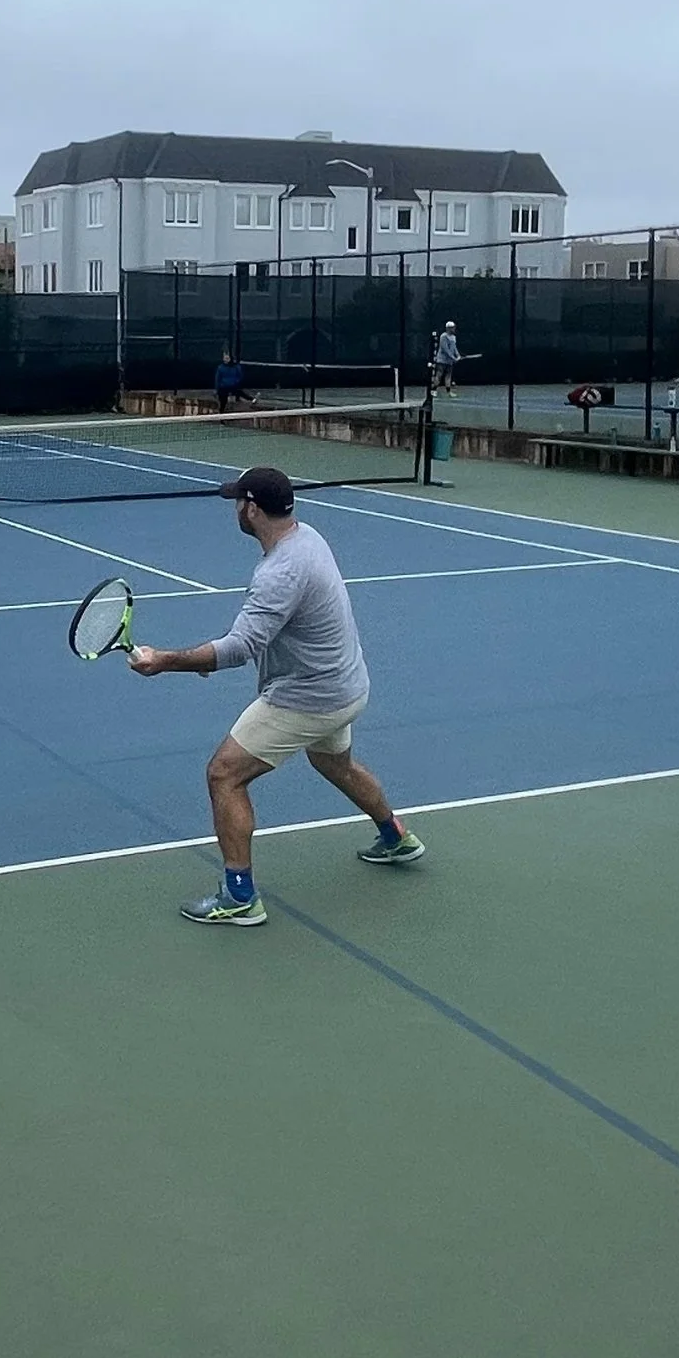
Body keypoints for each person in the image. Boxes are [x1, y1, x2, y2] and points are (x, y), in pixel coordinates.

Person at [127, 464, 423, 925]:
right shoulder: (307, 537)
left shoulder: (279, 572)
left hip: (311, 697)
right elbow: (264, 638)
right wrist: (202, 662)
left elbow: (240, 647)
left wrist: (166, 660)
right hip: (346, 684)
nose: (234, 510)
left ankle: (239, 897)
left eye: (237, 502)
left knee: (224, 775)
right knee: (332, 762)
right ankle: (396, 836)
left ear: (252, 508)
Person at [431, 321, 461, 395]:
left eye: (454, 327)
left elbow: (454, 348)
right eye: (452, 328)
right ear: (448, 328)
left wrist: (458, 355)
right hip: (442, 360)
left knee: (448, 376)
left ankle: (449, 392)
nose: (454, 329)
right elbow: (445, 349)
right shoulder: (443, 336)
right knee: (439, 374)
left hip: (449, 361)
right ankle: (433, 391)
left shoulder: (454, 337)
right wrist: (453, 358)